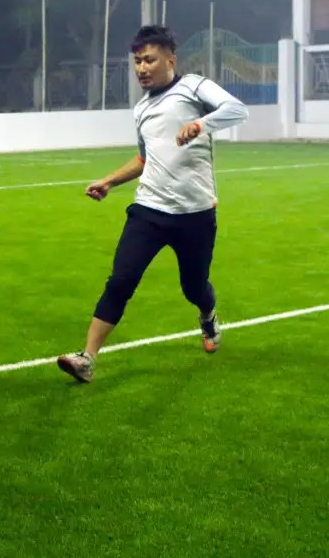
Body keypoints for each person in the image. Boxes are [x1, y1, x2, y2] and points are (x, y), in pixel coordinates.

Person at [57, 25, 248, 384]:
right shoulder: (142, 108)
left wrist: (200, 125)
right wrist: (110, 181)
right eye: (137, 62)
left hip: (195, 214)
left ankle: (207, 314)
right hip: (149, 211)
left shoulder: (193, 87)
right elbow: (145, 158)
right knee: (120, 281)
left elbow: (237, 110)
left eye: (149, 60)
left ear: (170, 60)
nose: (141, 68)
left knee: (194, 286)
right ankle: (87, 358)